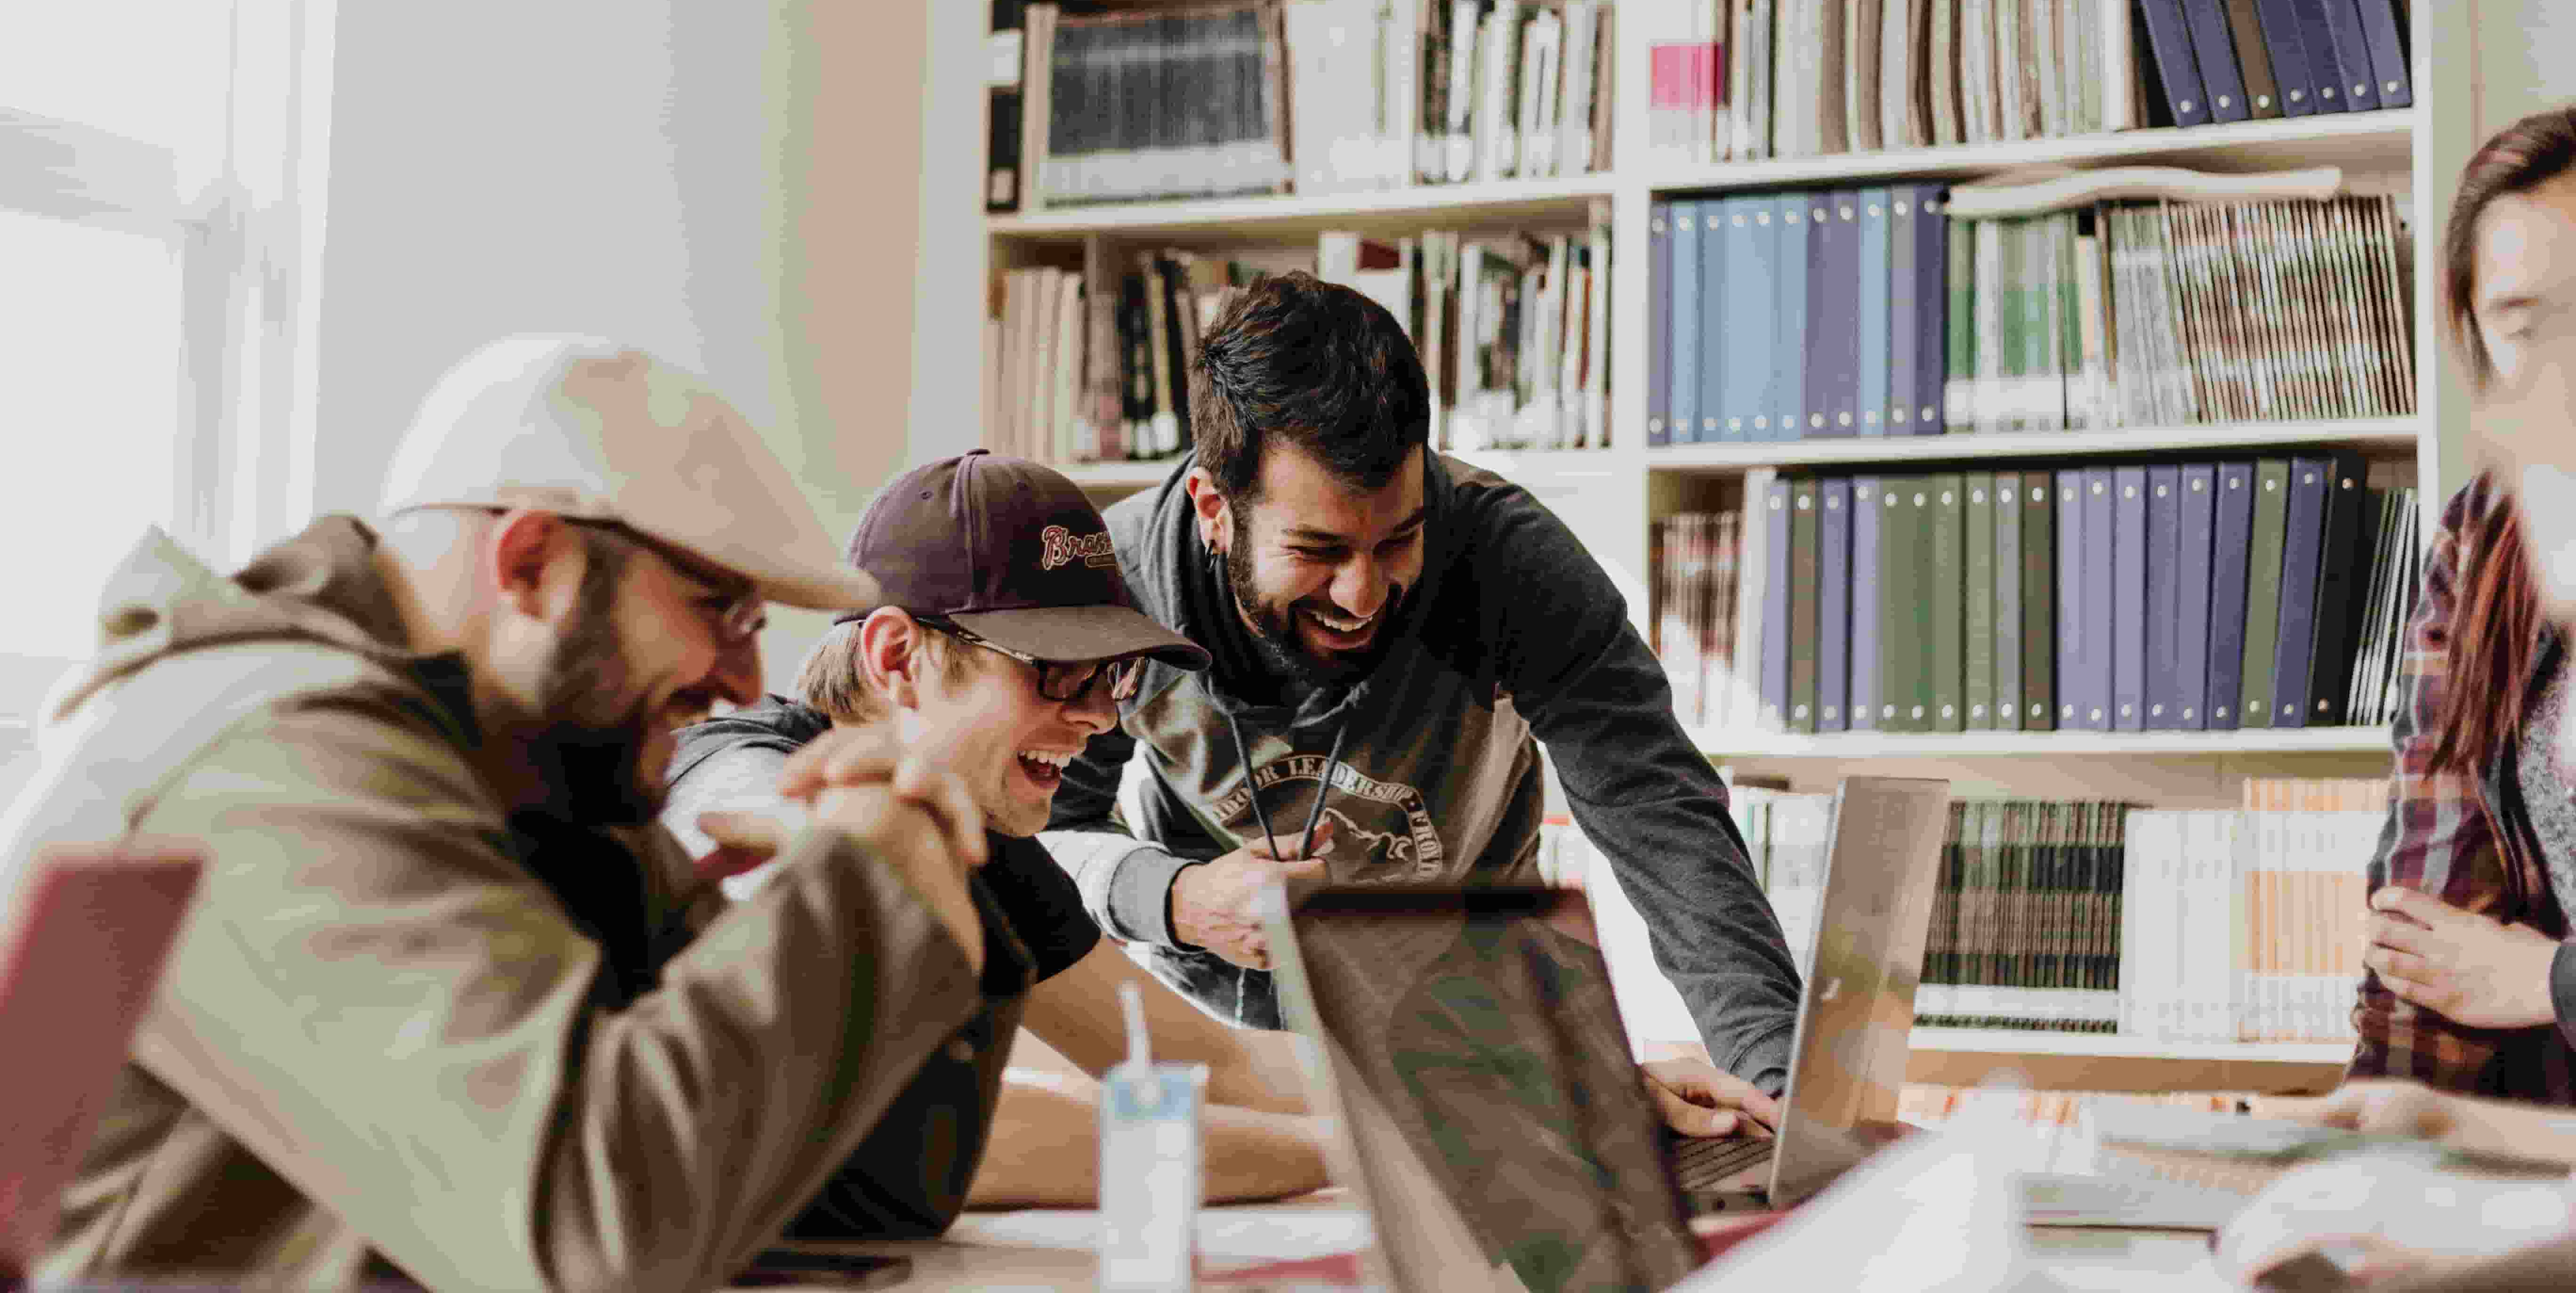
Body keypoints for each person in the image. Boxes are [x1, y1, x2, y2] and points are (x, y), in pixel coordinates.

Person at [5, 336, 1022, 1292]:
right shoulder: (268, 758)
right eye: (721, 611)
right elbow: (589, 1239)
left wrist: (887, 888)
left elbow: (868, 1195)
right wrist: (864, 886)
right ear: (532, 562)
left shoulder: (526, 774)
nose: (747, 679)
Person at [1041, 270, 1802, 1123]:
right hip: (1234, 1054)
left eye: (1398, 539)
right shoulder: (1116, 585)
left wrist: (1782, 1093)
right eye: (1318, 551)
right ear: (1215, 508)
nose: (1363, 594)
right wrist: (1176, 900)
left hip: (1479, 1033)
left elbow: (1661, 819)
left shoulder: (1510, 560)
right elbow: (1041, 840)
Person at [658, 448, 1335, 1208]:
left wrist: (1454, 1103)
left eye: (1111, 677)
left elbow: (1204, 1065)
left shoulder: (977, 834)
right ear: (897, 657)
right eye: (1057, 671)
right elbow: (908, 1130)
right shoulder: (735, 780)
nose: (1100, 718)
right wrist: (1347, 1159)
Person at [2350, 106, 2576, 1104]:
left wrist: (2545, 980)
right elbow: (2428, 921)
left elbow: (2505, 974)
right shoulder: (2486, 538)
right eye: (2525, 326)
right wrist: (2371, 1132)